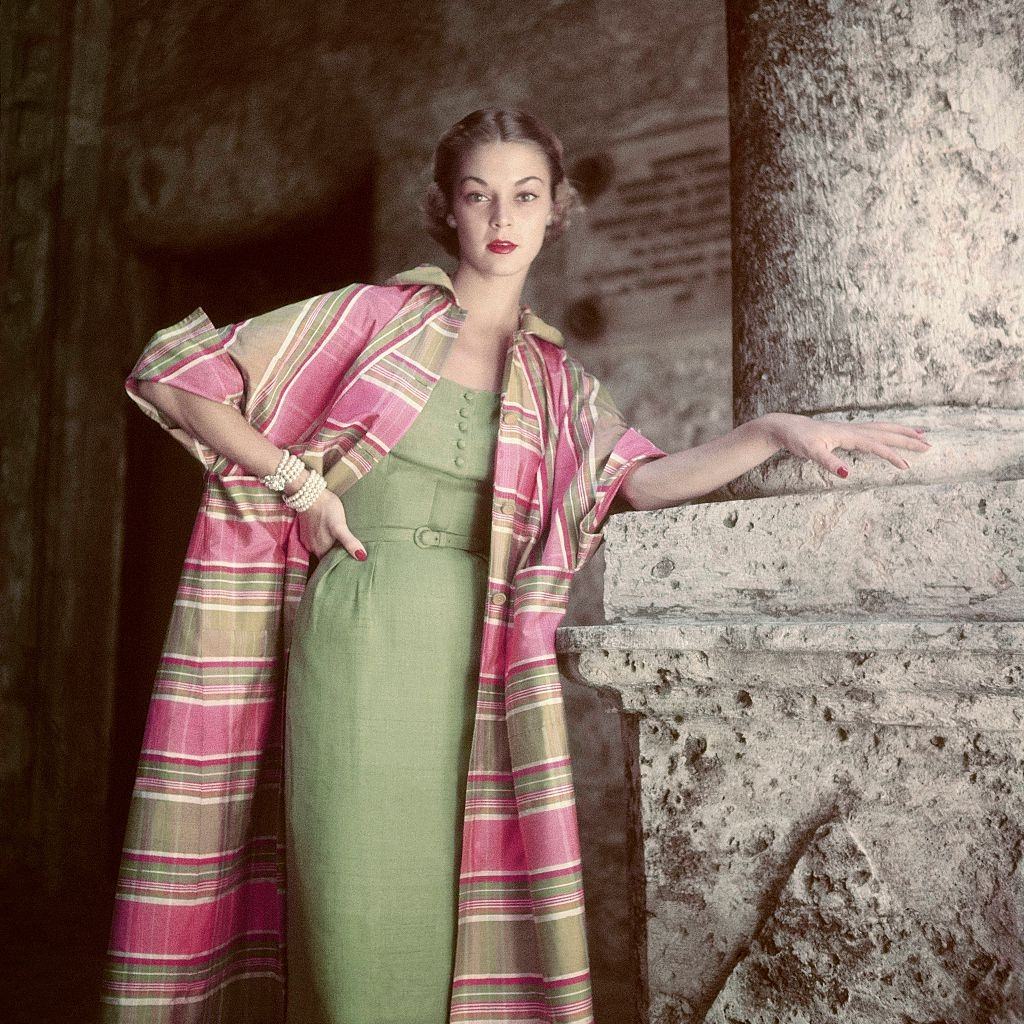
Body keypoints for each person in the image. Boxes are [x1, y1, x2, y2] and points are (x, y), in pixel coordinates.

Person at [104, 108, 930, 1024]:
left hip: (487, 655)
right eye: (478, 194)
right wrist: (298, 482)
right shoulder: (373, 319)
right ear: (447, 212)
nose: (502, 214)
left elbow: (642, 484)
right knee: (350, 897)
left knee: (448, 904)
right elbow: (176, 371)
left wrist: (770, 433)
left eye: (525, 195)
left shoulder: (554, 381)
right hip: (361, 629)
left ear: (554, 213)